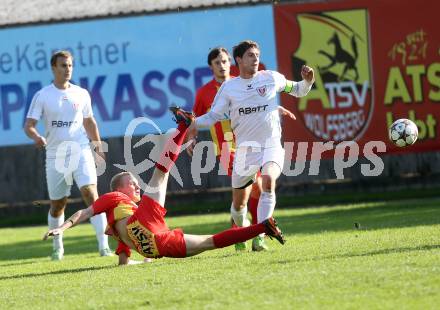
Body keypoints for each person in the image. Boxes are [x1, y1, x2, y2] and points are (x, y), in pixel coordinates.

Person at [43, 110, 285, 265]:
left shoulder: (117, 225)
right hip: (149, 229)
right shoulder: (114, 198)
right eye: (132, 183)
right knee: (160, 174)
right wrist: (62, 227)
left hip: (158, 242)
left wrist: (145, 256)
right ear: (118, 188)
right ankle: (181, 126)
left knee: (210, 241)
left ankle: (263, 227)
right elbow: (83, 213)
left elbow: (124, 263)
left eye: (136, 183)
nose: (137, 186)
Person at [187, 40, 315, 232]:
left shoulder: (271, 78)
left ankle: (263, 229)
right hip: (244, 151)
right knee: (239, 206)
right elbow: (213, 116)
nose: (255, 58)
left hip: (271, 146)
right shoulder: (229, 88)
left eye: (257, 55)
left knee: (267, 182)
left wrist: (308, 81)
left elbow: (298, 90)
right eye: (250, 55)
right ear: (239, 60)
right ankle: (243, 227)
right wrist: (192, 124)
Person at [24, 50, 112, 260]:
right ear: (53, 68)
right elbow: (29, 125)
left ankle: (104, 246)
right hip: (56, 155)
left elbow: (89, 122)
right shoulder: (43, 95)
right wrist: (36, 137)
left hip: (81, 150)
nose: (67, 69)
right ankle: (58, 246)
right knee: (58, 205)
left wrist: (98, 146)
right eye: (63, 65)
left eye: (70, 65)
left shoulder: (81, 93)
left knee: (92, 195)